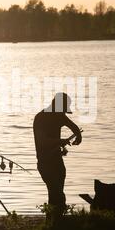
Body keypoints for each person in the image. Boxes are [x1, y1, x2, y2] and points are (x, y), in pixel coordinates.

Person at [33, 93, 82, 222]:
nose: (63, 113)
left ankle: (54, 222)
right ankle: (54, 221)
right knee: (56, 192)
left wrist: (78, 136)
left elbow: (75, 128)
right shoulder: (40, 118)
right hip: (45, 162)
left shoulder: (60, 116)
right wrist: (60, 141)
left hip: (57, 161)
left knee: (57, 193)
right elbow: (42, 141)